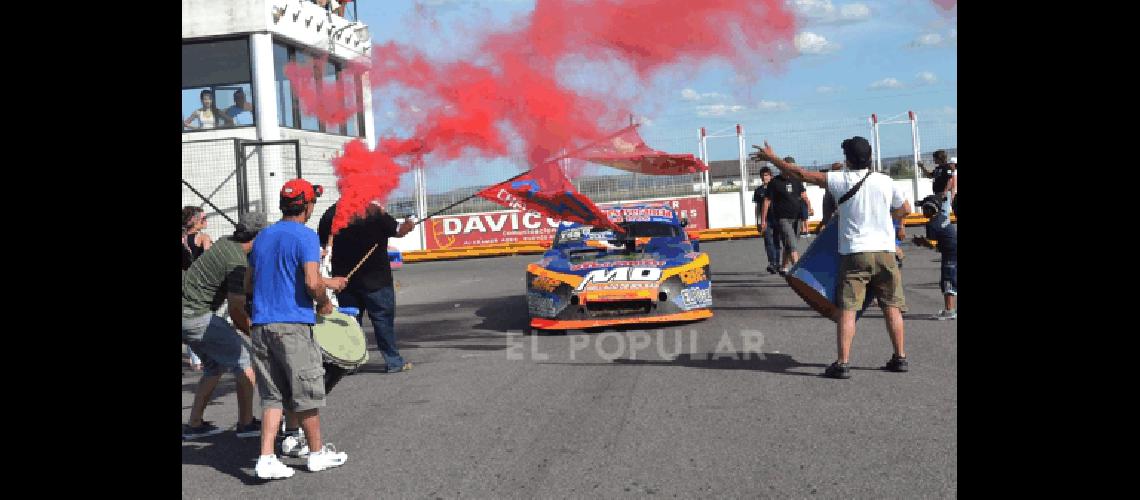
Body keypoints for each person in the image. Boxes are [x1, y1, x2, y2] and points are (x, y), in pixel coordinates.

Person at [752, 136, 911, 380]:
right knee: (891, 306)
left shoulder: (840, 180)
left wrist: (772, 158)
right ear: (869, 157)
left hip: (856, 253)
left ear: (847, 159)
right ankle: (900, 358)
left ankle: (843, 363)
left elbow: (801, 174)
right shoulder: (885, 181)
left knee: (848, 308)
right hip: (886, 252)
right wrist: (888, 221)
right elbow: (905, 209)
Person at [247, 179, 350, 480]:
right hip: (292, 326)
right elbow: (310, 281)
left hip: (261, 326)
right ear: (306, 206)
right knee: (306, 392)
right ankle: (316, 454)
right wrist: (324, 303)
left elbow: (248, 284)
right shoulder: (305, 237)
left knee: (272, 395)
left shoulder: (263, 238)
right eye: (313, 203)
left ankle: (266, 458)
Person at [181, 212, 269, 440]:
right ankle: (246, 423)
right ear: (257, 236)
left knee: (214, 366)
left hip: (186, 314)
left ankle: (195, 425)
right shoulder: (236, 262)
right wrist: (255, 334)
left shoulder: (225, 242)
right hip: (195, 316)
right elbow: (236, 310)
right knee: (245, 359)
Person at [318, 199, 417, 373]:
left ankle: (349, 364)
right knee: (383, 322)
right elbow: (398, 231)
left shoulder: (331, 213)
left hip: (344, 280)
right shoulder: (373, 211)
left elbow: (323, 242)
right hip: (376, 279)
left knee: (349, 325)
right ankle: (393, 361)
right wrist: (410, 223)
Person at [760, 161, 812, 275]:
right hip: (783, 219)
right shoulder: (774, 182)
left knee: (789, 244)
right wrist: (763, 220)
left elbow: (803, 195)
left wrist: (809, 207)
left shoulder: (796, 180)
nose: (792, 169)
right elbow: (767, 201)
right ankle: (799, 275)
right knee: (792, 245)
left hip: (796, 218)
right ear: (783, 167)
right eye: (789, 167)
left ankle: (783, 267)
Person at [914, 196, 957, 320]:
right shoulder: (943, 217)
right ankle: (949, 309)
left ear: (930, 209)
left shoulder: (932, 225)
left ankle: (950, 310)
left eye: (923, 208)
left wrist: (920, 241)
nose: (922, 211)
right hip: (951, 250)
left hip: (950, 254)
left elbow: (932, 244)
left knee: (948, 280)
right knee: (949, 278)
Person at [752, 167, 783, 274]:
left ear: (771, 176)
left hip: (778, 218)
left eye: (766, 175)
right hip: (766, 220)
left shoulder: (777, 188)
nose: (765, 177)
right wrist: (758, 221)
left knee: (777, 241)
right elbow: (758, 207)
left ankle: (778, 263)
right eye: (763, 175)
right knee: (768, 241)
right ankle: (772, 263)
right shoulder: (758, 191)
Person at [919, 150, 956, 215]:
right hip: (938, 194)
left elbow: (950, 180)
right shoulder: (937, 168)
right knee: (939, 212)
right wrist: (922, 167)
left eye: (935, 158)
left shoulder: (947, 167)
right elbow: (930, 176)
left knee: (944, 212)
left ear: (939, 158)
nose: (934, 160)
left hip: (944, 193)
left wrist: (945, 192)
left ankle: (945, 224)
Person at [182, 206, 214, 270]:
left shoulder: (183, 237)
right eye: (204, 218)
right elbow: (209, 260)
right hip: (198, 275)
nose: (206, 221)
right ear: (194, 220)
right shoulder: (204, 237)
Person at [817, 162, 842, 233]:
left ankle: (824, 228)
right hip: (833, 196)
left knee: (827, 217)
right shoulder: (839, 176)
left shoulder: (829, 176)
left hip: (829, 196)